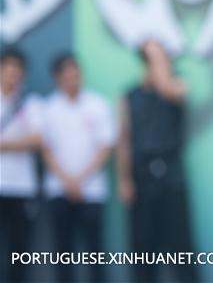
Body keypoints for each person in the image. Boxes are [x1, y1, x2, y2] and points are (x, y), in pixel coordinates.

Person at [118, 39, 199, 282]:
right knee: (143, 250)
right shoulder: (129, 96)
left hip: (172, 175)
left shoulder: (177, 85)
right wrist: (124, 179)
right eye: (150, 58)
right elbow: (124, 139)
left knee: (181, 249)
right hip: (142, 176)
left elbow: (166, 89)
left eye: (160, 58)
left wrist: (158, 55)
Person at [42, 53, 117, 283]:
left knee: (95, 251)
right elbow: (45, 149)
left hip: (91, 189)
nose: (72, 77)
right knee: (63, 252)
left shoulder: (98, 104)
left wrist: (80, 179)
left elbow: (106, 146)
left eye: (75, 72)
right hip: (59, 188)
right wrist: (67, 181)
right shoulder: (49, 108)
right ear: (57, 78)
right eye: (66, 73)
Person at [0, 47, 43, 283]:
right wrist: (19, 142)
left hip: (21, 187)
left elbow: (37, 139)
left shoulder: (31, 103)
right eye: (8, 69)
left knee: (19, 251)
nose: (13, 74)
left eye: (18, 70)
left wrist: (4, 145)